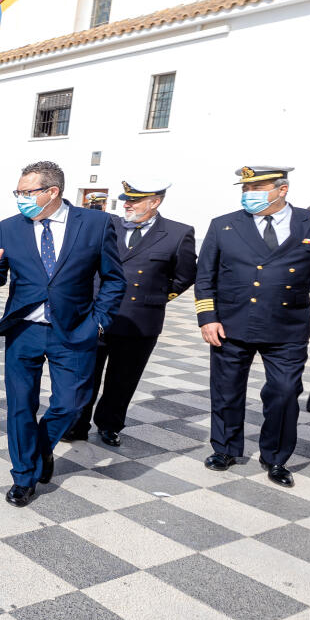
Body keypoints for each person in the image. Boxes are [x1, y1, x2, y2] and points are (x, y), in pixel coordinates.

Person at [0, 160, 125, 507]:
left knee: (71, 404)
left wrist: (99, 322)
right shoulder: (10, 228)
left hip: (73, 329)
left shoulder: (96, 224)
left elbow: (114, 279)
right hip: (23, 329)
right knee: (20, 407)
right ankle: (24, 476)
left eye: (27, 193)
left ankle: (38, 449)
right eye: (18, 192)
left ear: (52, 192)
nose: (20, 199)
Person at [196, 165, 310, 488]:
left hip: (288, 327)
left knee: (284, 393)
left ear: (282, 190)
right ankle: (225, 449)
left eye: (256, 189)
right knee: (226, 392)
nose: (248, 195)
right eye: (244, 190)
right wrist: (207, 317)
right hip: (231, 324)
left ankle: (276, 458)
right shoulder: (224, 225)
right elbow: (205, 277)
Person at [65, 179, 197, 446]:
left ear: (155, 202)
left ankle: (109, 425)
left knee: (123, 379)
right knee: (85, 375)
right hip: (97, 314)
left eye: (134, 200)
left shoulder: (177, 233)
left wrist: (154, 297)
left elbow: (184, 276)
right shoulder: (106, 225)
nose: (127, 204)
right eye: (126, 199)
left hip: (139, 320)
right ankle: (77, 424)